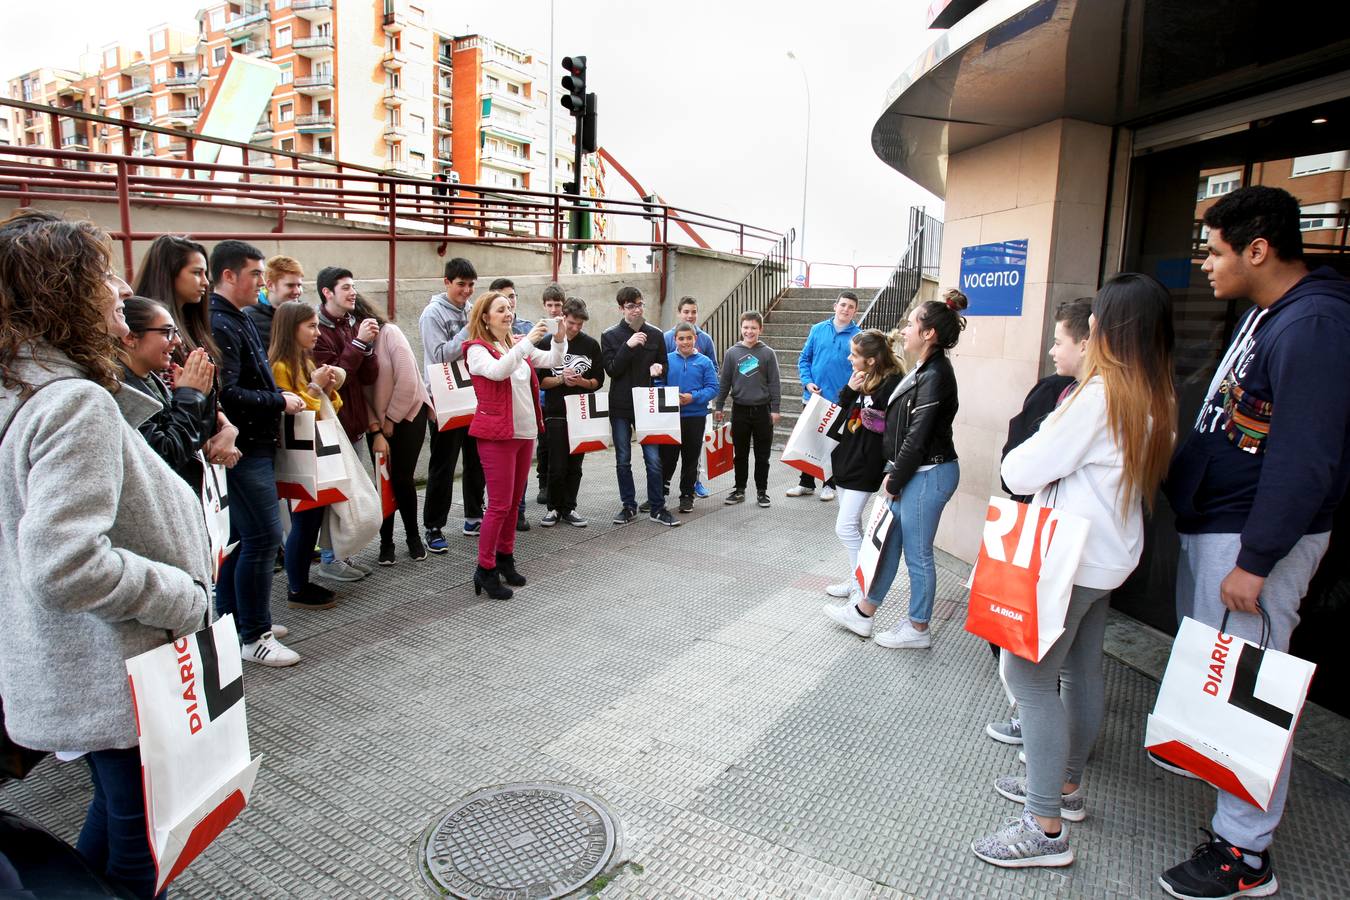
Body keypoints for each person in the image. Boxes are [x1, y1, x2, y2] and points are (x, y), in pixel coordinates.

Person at [0, 210, 212, 899]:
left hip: (72, 665)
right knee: (144, 844)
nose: (120, 290)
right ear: (65, 295)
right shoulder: (70, 403)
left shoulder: (21, 389)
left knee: (120, 816)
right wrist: (182, 594)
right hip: (113, 669)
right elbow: (66, 563)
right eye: (102, 278)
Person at [1158, 186, 1350, 899]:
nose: (1206, 265)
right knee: (1224, 677)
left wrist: (1257, 558)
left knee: (1252, 693)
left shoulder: (1317, 325)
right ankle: (1220, 785)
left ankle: (1246, 855)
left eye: (1214, 251)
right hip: (1225, 524)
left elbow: (1306, 460)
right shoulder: (1272, 314)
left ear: (1257, 250)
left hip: (1252, 541)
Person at [967, 274, 1176, 870]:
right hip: (1108, 556)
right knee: (1081, 671)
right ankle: (1065, 786)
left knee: (1029, 680)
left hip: (1069, 559)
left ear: (1112, 327)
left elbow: (1022, 469)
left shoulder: (1101, 392)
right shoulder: (1154, 391)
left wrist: (1032, 449)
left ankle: (1044, 826)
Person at [823, 291, 965, 648]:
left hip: (929, 473)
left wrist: (894, 477)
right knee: (887, 546)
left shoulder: (936, 374)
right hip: (914, 472)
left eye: (912, 322)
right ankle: (863, 612)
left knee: (917, 555)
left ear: (928, 332)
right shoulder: (924, 369)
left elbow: (917, 436)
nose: (904, 329)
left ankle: (918, 628)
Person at [984, 296, 1090, 731]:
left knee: (1025, 666)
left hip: (1055, 539)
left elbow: (1019, 469)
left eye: (1058, 340)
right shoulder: (1123, 393)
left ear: (1087, 342)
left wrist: (1019, 467)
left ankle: (1049, 784)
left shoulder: (1082, 399)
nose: (1050, 350)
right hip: (1080, 545)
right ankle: (1066, 763)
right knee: (1078, 667)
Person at [210, 239, 307, 667]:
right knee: (263, 538)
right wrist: (278, 401)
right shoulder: (221, 321)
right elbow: (228, 392)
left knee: (245, 540)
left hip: (255, 444)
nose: (260, 281)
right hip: (244, 447)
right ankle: (253, 633)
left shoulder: (239, 317)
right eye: (254, 273)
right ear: (229, 275)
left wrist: (277, 395)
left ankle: (238, 620)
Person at [462, 291, 567, 599]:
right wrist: (527, 341)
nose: (508, 314)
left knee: (511, 505)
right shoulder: (476, 350)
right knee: (498, 505)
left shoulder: (514, 344)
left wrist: (559, 337)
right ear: (485, 317)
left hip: (524, 434)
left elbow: (554, 361)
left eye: (509, 308)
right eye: (500, 310)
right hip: (497, 436)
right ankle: (485, 568)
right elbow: (498, 371)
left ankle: (505, 559)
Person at [132, 233, 241, 477]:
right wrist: (205, 440)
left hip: (201, 449)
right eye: (196, 272)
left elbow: (204, 392)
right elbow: (167, 408)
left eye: (205, 273)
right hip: (179, 459)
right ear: (169, 274)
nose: (205, 282)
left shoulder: (194, 327)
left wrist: (227, 428)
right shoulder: (147, 335)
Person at [269, 300, 344, 612]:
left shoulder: (305, 361)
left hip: (316, 449)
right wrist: (315, 390)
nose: (317, 332)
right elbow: (294, 414)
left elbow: (330, 407)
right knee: (303, 520)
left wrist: (328, 387)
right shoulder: (280, 366)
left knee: (312, 518)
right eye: (311, 326)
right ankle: (297, 586)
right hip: (298, 453)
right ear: (291, 329)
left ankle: (301, 581)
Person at [823, 329, 906, 600]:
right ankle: (856, 579)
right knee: (852, 525)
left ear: (871, 360)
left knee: (844, 527)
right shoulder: (862, 377)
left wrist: (880, 422)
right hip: (846, 458)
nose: (849, 358)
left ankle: (863, 585)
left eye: (855, 355)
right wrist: (849, 388)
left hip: (866, 463)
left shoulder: (892, 383)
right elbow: (841, 410)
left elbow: (897, 426)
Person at [312, 265, 381, 582]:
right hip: (329, 423)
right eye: (346, 288)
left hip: (352, 421)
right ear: (327, 292)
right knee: (336, 494)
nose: (353, 293)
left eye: (353, 286)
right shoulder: (317, 330)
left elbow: (368, 376)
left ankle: (342, 554)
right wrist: (358, 345)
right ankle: (330, 558)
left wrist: (367, 346)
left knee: (351, 492)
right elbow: (332, 378)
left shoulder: (349, 325)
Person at [354, 294, 433, 564]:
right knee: (381, 481)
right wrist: (375, 430)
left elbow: (409, 380)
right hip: (375, 421)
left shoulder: (390, 333)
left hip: (409, 413)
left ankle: (413, 536)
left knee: (402, 478)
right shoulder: (351, 348)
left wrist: (391, 420)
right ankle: (385, 542)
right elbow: (356, 395)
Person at [117, 295, 218, 487]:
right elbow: (167, 455)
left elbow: (194, 440)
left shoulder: (150, 379)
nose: (178, 341)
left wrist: (203, 395)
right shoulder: (120, 389)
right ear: (130, 337)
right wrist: (189, 396)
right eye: (167, 332)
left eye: (176, 332)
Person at [421, 257, 486, 546]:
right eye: (461, 284)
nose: (467, 291)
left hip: (475, 394)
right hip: (444, 397)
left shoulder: (472, 309)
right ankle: (434, 526)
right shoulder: (432, 314)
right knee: (443, 464)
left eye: (471, 285)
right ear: (447, 282)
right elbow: (440, 355)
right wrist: (469, 327)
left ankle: (474, 517)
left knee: (477, 460)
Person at [602, 286, 679, 526]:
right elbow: (612, 370)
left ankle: (658, 507)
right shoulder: (610, 335)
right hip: (620, 405)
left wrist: (659, 369)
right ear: (621, 308)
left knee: (654, 459)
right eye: (630, 306)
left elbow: (664, 364)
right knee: (623, 458)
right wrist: (628, 345)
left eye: (639, 304)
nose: (636, 310)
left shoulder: (655, 334)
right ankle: (628, 506)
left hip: (648, 405)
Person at [536, 296, 604, 528]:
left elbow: (598, 381)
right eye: (571, 323)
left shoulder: (591, 345)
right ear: (562, 318)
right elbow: (539, 381)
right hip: (555, 411)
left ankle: (570, 508)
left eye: (579, 324)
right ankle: (553, 508)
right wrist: (561, 379)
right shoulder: (547, 342)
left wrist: (581, 383)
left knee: (575, 465)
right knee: (556, 465)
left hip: (581, 412)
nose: (575, 328)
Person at [788, 291, 860, 501]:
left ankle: (830, 484)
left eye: (851, 307)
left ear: (855, 311)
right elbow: (804, 359)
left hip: (840, 400)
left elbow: (860, 367)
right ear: (835, 306)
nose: (846, 309)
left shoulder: (858, 336)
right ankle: (806, 483)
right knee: (809, 440)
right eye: (843, 305)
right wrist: (807, 382)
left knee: (834, 443)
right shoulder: (817, 329)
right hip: (813, 398)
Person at [714, 310, 781, 508]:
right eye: (746, 327)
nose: (749, 331)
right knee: (740, 453)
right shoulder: (732, 353)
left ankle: (762, 491)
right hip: (740, 410)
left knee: (763, 455)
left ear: (760, 329)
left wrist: (775, 409)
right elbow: (725, 381)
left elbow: (774, 383)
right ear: (740, 328)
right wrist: (719, 405)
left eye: (753, 328)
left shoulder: (767, 353)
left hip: (762, 411)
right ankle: (739, 488)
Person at [662, 322, 720, 513]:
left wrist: (693, 397)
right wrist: (672, 397)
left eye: (689, 338)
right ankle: (660, 493)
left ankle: (687, 495)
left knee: (690, 458)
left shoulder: (705, 362)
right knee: (668, 457)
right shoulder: (667, 360)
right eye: (681, 338)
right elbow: (658, 384)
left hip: (695, 417)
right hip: (671, 417)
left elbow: (713, 388)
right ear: (674, 340)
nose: (685, 342)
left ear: (695, 339)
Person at [535, 283, 566, 507]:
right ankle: (543, 483)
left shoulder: (568, 329)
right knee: (544, 444)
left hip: (564, 400)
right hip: (543, 399)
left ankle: (560, 487)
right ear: (544, 306)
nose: (554, 309)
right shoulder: (539, 332)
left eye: (557, 304)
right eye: (550, 305)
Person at [247, 254, 304, 351]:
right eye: (290, 286)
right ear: (270, 285)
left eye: (299, 285)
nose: (297, 291)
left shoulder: (304, 315)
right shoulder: (251, 318)